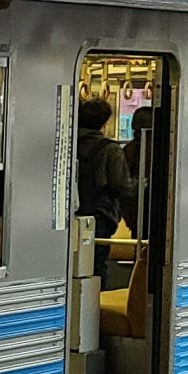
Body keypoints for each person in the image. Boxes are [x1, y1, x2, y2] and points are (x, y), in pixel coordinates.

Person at [75, 97, 134, 281]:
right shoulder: (111, 149)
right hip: (100, 213)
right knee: (97, 262)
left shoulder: (69, 143)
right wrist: (140, 185)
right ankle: (96, 303)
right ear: (104, 121)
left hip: (73, 211)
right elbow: (120, 184)